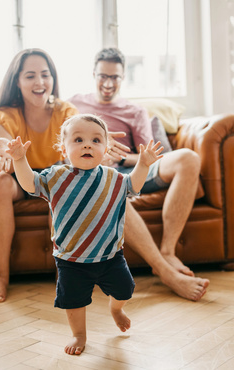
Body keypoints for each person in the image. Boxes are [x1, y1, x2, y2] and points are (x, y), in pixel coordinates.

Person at [6, 113, 164, 355]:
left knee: (125, 290)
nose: (87, 144)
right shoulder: (55, 177)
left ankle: (116, 309)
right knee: (74, 301)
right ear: (63, 148)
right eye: (78, 140)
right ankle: (79, 334)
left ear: (106, 147)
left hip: (110, 255)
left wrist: (143, 164)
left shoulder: (114, 178)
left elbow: (135, 185)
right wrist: (19, 160)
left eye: (96, 140)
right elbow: (30, 185)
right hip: (71, 259)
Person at [0, 48, 128, 303]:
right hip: (17, 172)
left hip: (53, 174)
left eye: (45, 74)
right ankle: (0, 277)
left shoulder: (65, 111)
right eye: (30, 76)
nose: (40, 82)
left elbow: (79, 149)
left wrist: (101, 148)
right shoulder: (2, 114)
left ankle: (66, 275)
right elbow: (3, 145)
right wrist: (4, 151)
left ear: (53, 78)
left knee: (68, 182)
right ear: (16, 81)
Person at [69, 47, 210, 301]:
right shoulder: (75, 104)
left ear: (123, 78)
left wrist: (120, 156)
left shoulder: (134, 111)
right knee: (110, 186)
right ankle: (165, 272)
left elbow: (149, 154)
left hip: (132, 169)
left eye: (115, 77)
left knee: (188, 158)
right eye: (103, 76)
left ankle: (168, 250)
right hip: (97, 174)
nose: (108, 83)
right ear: (93, 74)